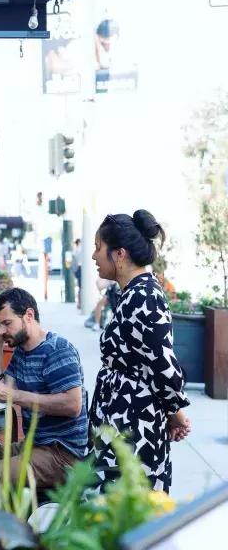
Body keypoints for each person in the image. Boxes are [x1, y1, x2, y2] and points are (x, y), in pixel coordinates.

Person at [89, 210, 191, 493]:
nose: (94, 256)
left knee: (128, 510)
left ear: (119, 254)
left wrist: (177, 411)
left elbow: (163, 363)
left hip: (134, 424)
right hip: (124, 420)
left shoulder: (144, 295)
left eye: (98, 248)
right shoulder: (133, 293)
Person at [0, 287, 88, 489]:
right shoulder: (22, 352)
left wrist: (15, 395)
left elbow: (73, 405)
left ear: (29, 315)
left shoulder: (57, 350)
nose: (3, 331)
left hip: (62, 454)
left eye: (7, 323)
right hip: (35, 445)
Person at [72, 238, 83, 309]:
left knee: (80, 287)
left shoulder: (75, 251)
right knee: (81, 287)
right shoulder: (80, 250)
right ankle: (80, 303)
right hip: (81, 268)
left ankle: (79, 303)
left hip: (78, 269)